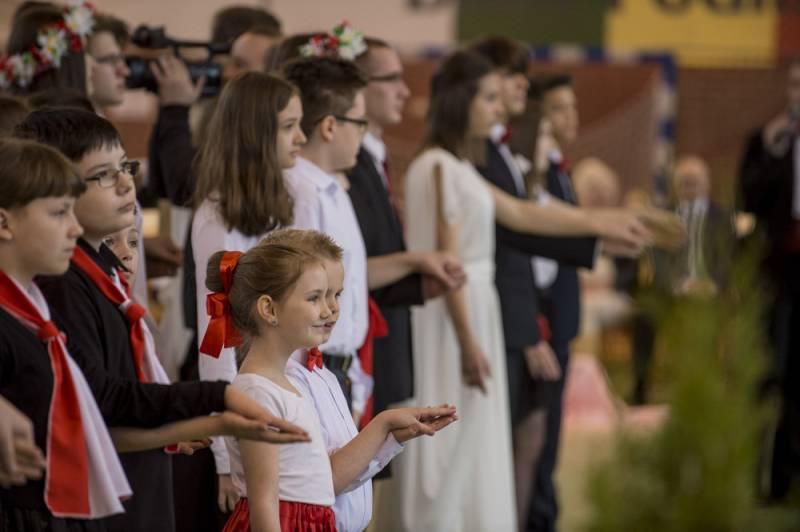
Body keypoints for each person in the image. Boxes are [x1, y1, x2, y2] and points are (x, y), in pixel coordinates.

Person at [376, 50, 651, 532]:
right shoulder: (438, 167)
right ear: (460, 101)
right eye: (488, 98)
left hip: (475, 309)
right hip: (454, 317)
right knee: (450, 442)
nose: (498, 108)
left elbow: (523, 214)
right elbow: (448, 264)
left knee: (474, 440)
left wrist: (606, 223)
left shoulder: (459, 166)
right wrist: (468, 342)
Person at [11, 109, 305, 532]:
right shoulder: (62, 287)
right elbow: (102, 407)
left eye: (125, 167)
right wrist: (214, 407)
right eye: (102, 175)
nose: (126, 184)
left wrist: (187, 420)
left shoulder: (98, 273)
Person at [261, 229, 457, 532]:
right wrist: (382, 425)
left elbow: (345, 467)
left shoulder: (321, 375)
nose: (332, 308)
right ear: (270, 308)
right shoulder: (281, 385)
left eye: (336, 294)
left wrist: (392, 437)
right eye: (316, 297)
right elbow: (325, 481)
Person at [192, 71, 304, 515]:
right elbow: (218, 339)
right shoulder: (219, 218)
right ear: (257, 134)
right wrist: (225, 455)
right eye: (289, 126)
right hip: (248, 402)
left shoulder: (281, 203)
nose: (302, 138)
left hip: (285, 390)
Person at [347, 36, 465, 435]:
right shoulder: (349, 165)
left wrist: (421, 285)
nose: (405, 91)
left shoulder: (371, 159)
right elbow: (348, 267)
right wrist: (417, 261)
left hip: (385, 339)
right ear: (358, 88)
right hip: (362, 346)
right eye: (391, 79)